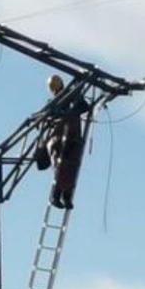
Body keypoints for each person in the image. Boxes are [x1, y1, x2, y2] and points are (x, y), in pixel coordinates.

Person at [42, 74, 91, 209]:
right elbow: (49, 117)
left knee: (71, 167)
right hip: (59, 138)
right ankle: (57, 196)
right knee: (62, 167)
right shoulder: (53, 102)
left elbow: (85, 107)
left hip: (72, 136)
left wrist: (73, 108)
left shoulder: (72, 96)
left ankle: (66, 197)